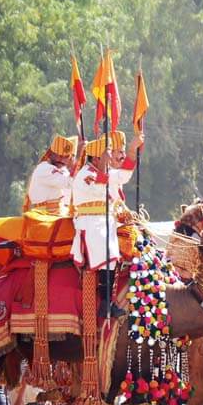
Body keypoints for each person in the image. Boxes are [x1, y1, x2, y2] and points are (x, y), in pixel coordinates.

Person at [70, 133, 136, 317]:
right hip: (91, 223)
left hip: (104, 222)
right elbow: (99, 186)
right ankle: (105, 303)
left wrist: (133, 149)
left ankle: (112, 297)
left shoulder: (100, 172)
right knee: (109, 256)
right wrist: (129, 151)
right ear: (97, 157)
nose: (110, 159)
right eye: (106, 156)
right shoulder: (85, 174)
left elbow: (123, 176)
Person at [25, 134, 81, 215]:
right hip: (45, 215)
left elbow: (73, 187)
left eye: (66, 157)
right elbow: (69, 183)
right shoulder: (45, 169)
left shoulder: (63, 170)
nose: (61, 160)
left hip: (59, 213)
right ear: (51, 154)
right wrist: (79, 157)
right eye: (59, 156)